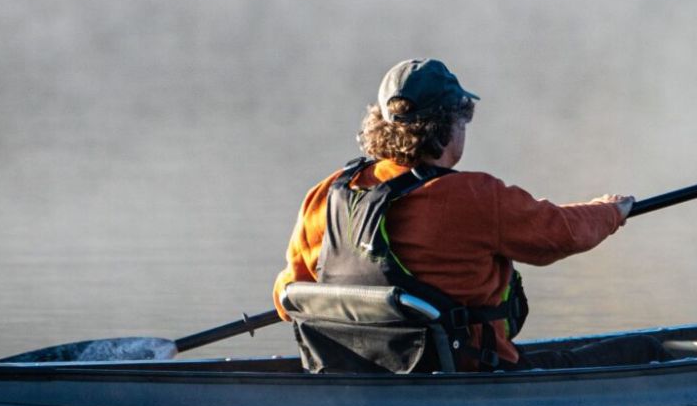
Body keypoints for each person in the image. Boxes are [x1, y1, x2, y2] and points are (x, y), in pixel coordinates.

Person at [274, 58, 667, 371]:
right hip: (470, 377)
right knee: (650, 349)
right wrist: (612, 211)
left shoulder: (328, 192)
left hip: (354, 379)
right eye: (463, 118)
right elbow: (559, 234)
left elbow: (286, 296)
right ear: (445, 127)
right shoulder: (471, 196)